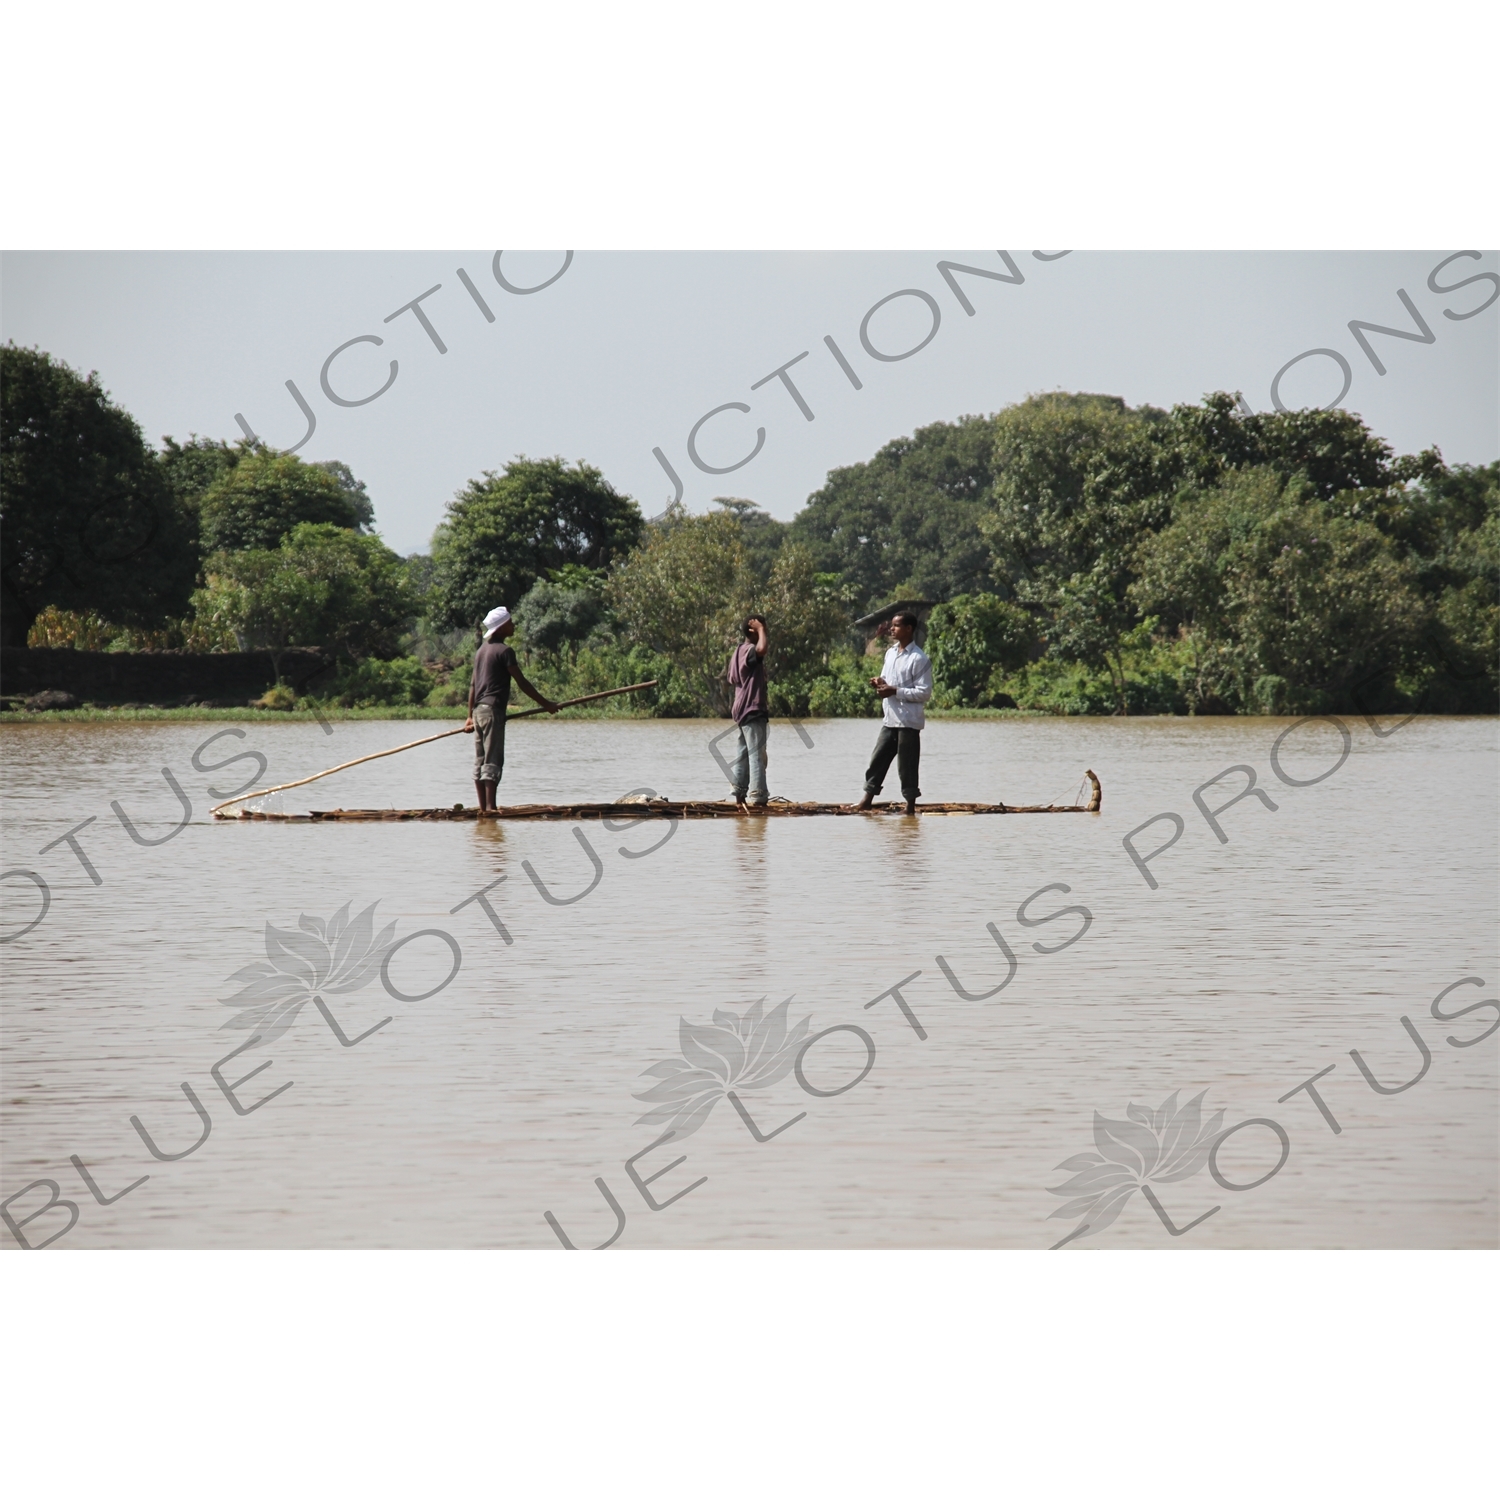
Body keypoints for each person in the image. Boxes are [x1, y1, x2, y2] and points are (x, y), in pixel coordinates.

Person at [463, 606, 558, 812]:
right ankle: (490, 809)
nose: (514, 626)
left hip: (479, 712)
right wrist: (547, 704)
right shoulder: (505, 651)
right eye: (511, 623)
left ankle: (483, 809)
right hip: (492, 710)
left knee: (480, 760)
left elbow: (472, 686)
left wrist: (469, 717)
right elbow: (522, 682)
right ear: (501, 627)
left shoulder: (481, 651)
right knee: (492, 759)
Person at [854, 611, 932, 815]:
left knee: (907, 767)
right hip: (890, 719)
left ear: (908, 629)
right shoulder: (890, 653)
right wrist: (880, 683)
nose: (891, 629)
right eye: (892, 625)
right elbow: (885, 679)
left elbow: (924, 693)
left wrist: (895, 691)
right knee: (877, 760)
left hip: (908, 722)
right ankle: (866, 800)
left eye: (896, 626)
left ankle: (910, 807)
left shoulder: (919, 658)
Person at [726, 614, 770, 808]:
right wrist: (761, 630)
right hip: (752, 707)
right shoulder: (750, 650)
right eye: (762, 629)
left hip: (742, 708)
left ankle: (739, 794)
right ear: (752, 631)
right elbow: (762, 649)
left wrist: (760, 629)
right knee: (756, 754)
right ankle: (758, 797)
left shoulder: (738, 651)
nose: (765, 632)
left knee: (743, 751)